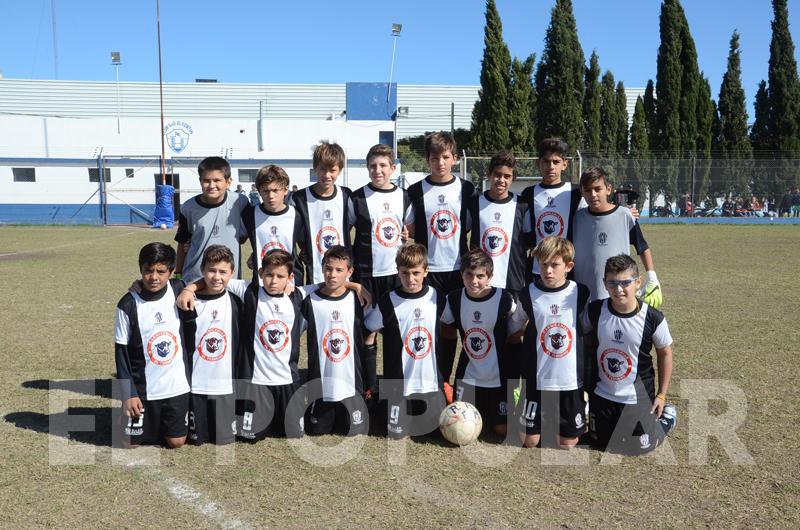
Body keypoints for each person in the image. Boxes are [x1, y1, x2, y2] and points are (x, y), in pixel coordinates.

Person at [582, 255, 676, 455]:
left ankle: (667, 419)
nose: (619, 289)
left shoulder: (653, 318)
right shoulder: (595, 311)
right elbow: (585, 344)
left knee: (639, 447)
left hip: (637, 397)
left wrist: (661, 394)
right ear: (605, 284)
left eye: (625, 283)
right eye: (612, 283)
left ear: (638, 282)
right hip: (603, 394)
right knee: (601, 444)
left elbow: (665, 354)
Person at [508, 237, 589, 449]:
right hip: (537, 378)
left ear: (569, 266)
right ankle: (539, 414)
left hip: (569, 380)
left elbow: (589, 327)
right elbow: (515, 326)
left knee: (566, 444)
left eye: (555, 265)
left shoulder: (580, 293)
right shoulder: (529, 293)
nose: (548, 271)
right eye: (544, 264)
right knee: (529, 441)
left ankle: (577, 410)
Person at [364, 243, 451, 438]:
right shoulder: (388, 301)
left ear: (426, 271)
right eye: (405, 273)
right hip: (398, 385)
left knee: (436, 432)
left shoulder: (437, 298)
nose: (410, 279)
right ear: (397, 271)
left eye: (415, 273)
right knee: (395, 434)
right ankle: (379, 401)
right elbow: (369, 332)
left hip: (430, 383)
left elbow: (452, 327)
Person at [114, 242, 190, 448]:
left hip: (176, 388)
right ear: (140, 270)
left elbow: (211, 281)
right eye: (148, 271)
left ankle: (157, 423)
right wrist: (128, 393)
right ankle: (126, 414)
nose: (154, 277)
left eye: (161, 271)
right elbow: (121, 354)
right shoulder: (127, 304)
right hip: (143, 389)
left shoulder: (179, 289)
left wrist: (191, 288)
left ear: (171, 272)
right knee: (129, 444)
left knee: (176, 442)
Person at [440, 248, 516, 438]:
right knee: (459, 425)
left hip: (498, 377)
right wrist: (445, 375)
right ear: (462, 274)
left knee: (502, 430)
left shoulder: (504, 299)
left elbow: (518, 331)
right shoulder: (454, 299)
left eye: (480, 276)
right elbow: (447, 333)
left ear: (490, 276)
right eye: (469, 275)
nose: (474, 281)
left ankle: (512, 405)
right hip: (468, 375)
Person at [301, 246, 375, 436]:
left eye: (339, 270)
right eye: (328, 268)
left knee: (353, 431)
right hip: (321, 386)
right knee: (316, 431)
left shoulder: (358, 301)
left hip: (351, 384)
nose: (332, 274)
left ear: (350, 272)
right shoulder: (309, 302)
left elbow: (371, 334)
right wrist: (355, 284)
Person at [572, 167, 662, 309]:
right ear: (582, 192)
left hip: (616, 292)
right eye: (588, 190)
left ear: (608, 189)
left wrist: (652, 277)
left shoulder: (624, 215)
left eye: (597, 189)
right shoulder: (577, 218)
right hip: (583, 295)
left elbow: (642, 247)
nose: (593, 194)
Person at [180, 245, 242, 445]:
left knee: (225, 440)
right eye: (211, 270)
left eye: (223, 272)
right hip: (196, 384)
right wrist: (190, 288)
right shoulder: (189, 302)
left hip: (225, 385)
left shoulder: (237, 300)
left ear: (232, 273)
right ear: (202, 270)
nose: (217, 277)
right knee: (195, 439)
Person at [407, 132, 475, 295]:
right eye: (435, 158)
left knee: (456, 318)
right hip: (426, 269)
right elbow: (410, 227)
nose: (440, 163)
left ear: (455, 158)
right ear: (427, 159)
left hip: (459, 268)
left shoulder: (467, 189)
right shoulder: (415, 191)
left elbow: (470, 225)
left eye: (445, 157)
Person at [174, 156, 249, 282]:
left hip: (228, 280)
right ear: (200, 181)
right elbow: (182, 243)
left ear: (228, 181)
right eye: (206, 180)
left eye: (217, 180)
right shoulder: (188, 208)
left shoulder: (240, 202)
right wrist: (178, 274)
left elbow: (246, 234)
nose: (211, 185)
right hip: (195, 279)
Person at [292, 141, 355, 285]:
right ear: (315, 168)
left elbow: (352, 223)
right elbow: (295, 230)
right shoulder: (300, 198)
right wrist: (305, 247)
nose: (327, 175)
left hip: (342, 271)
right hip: (315, 272)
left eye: (332, 170)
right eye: (322, 169)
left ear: (339, 170)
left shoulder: (346, 195)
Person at [520, 138, 585, 279]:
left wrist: (622, 210)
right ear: (538, 163)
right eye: (546, 161)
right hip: (538, 269)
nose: (551, 166)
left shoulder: (575, 193)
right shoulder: (528, 193)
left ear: (565, 165)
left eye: (556, 162)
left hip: (566, 269)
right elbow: (523, 231)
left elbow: (594, 214)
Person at [467, 150, 528, 299]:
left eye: (507, 176)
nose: (501, 180)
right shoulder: (474, 203)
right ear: (489, 174)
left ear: (513, 178)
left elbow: (528, 241)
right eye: (497, 174)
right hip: (480, 280)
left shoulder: (522, 205)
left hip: (512, 281)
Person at [241, 165, 305, 285]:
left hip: (291, 284)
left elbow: (304, 247)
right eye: (265, 191)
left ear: (286, 190)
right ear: (259, 190)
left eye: (275, 190)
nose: (270, 196)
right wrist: (253, 256)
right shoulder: (249, 215)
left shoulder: (297, 215)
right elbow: (240, 239)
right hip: (261, 282)